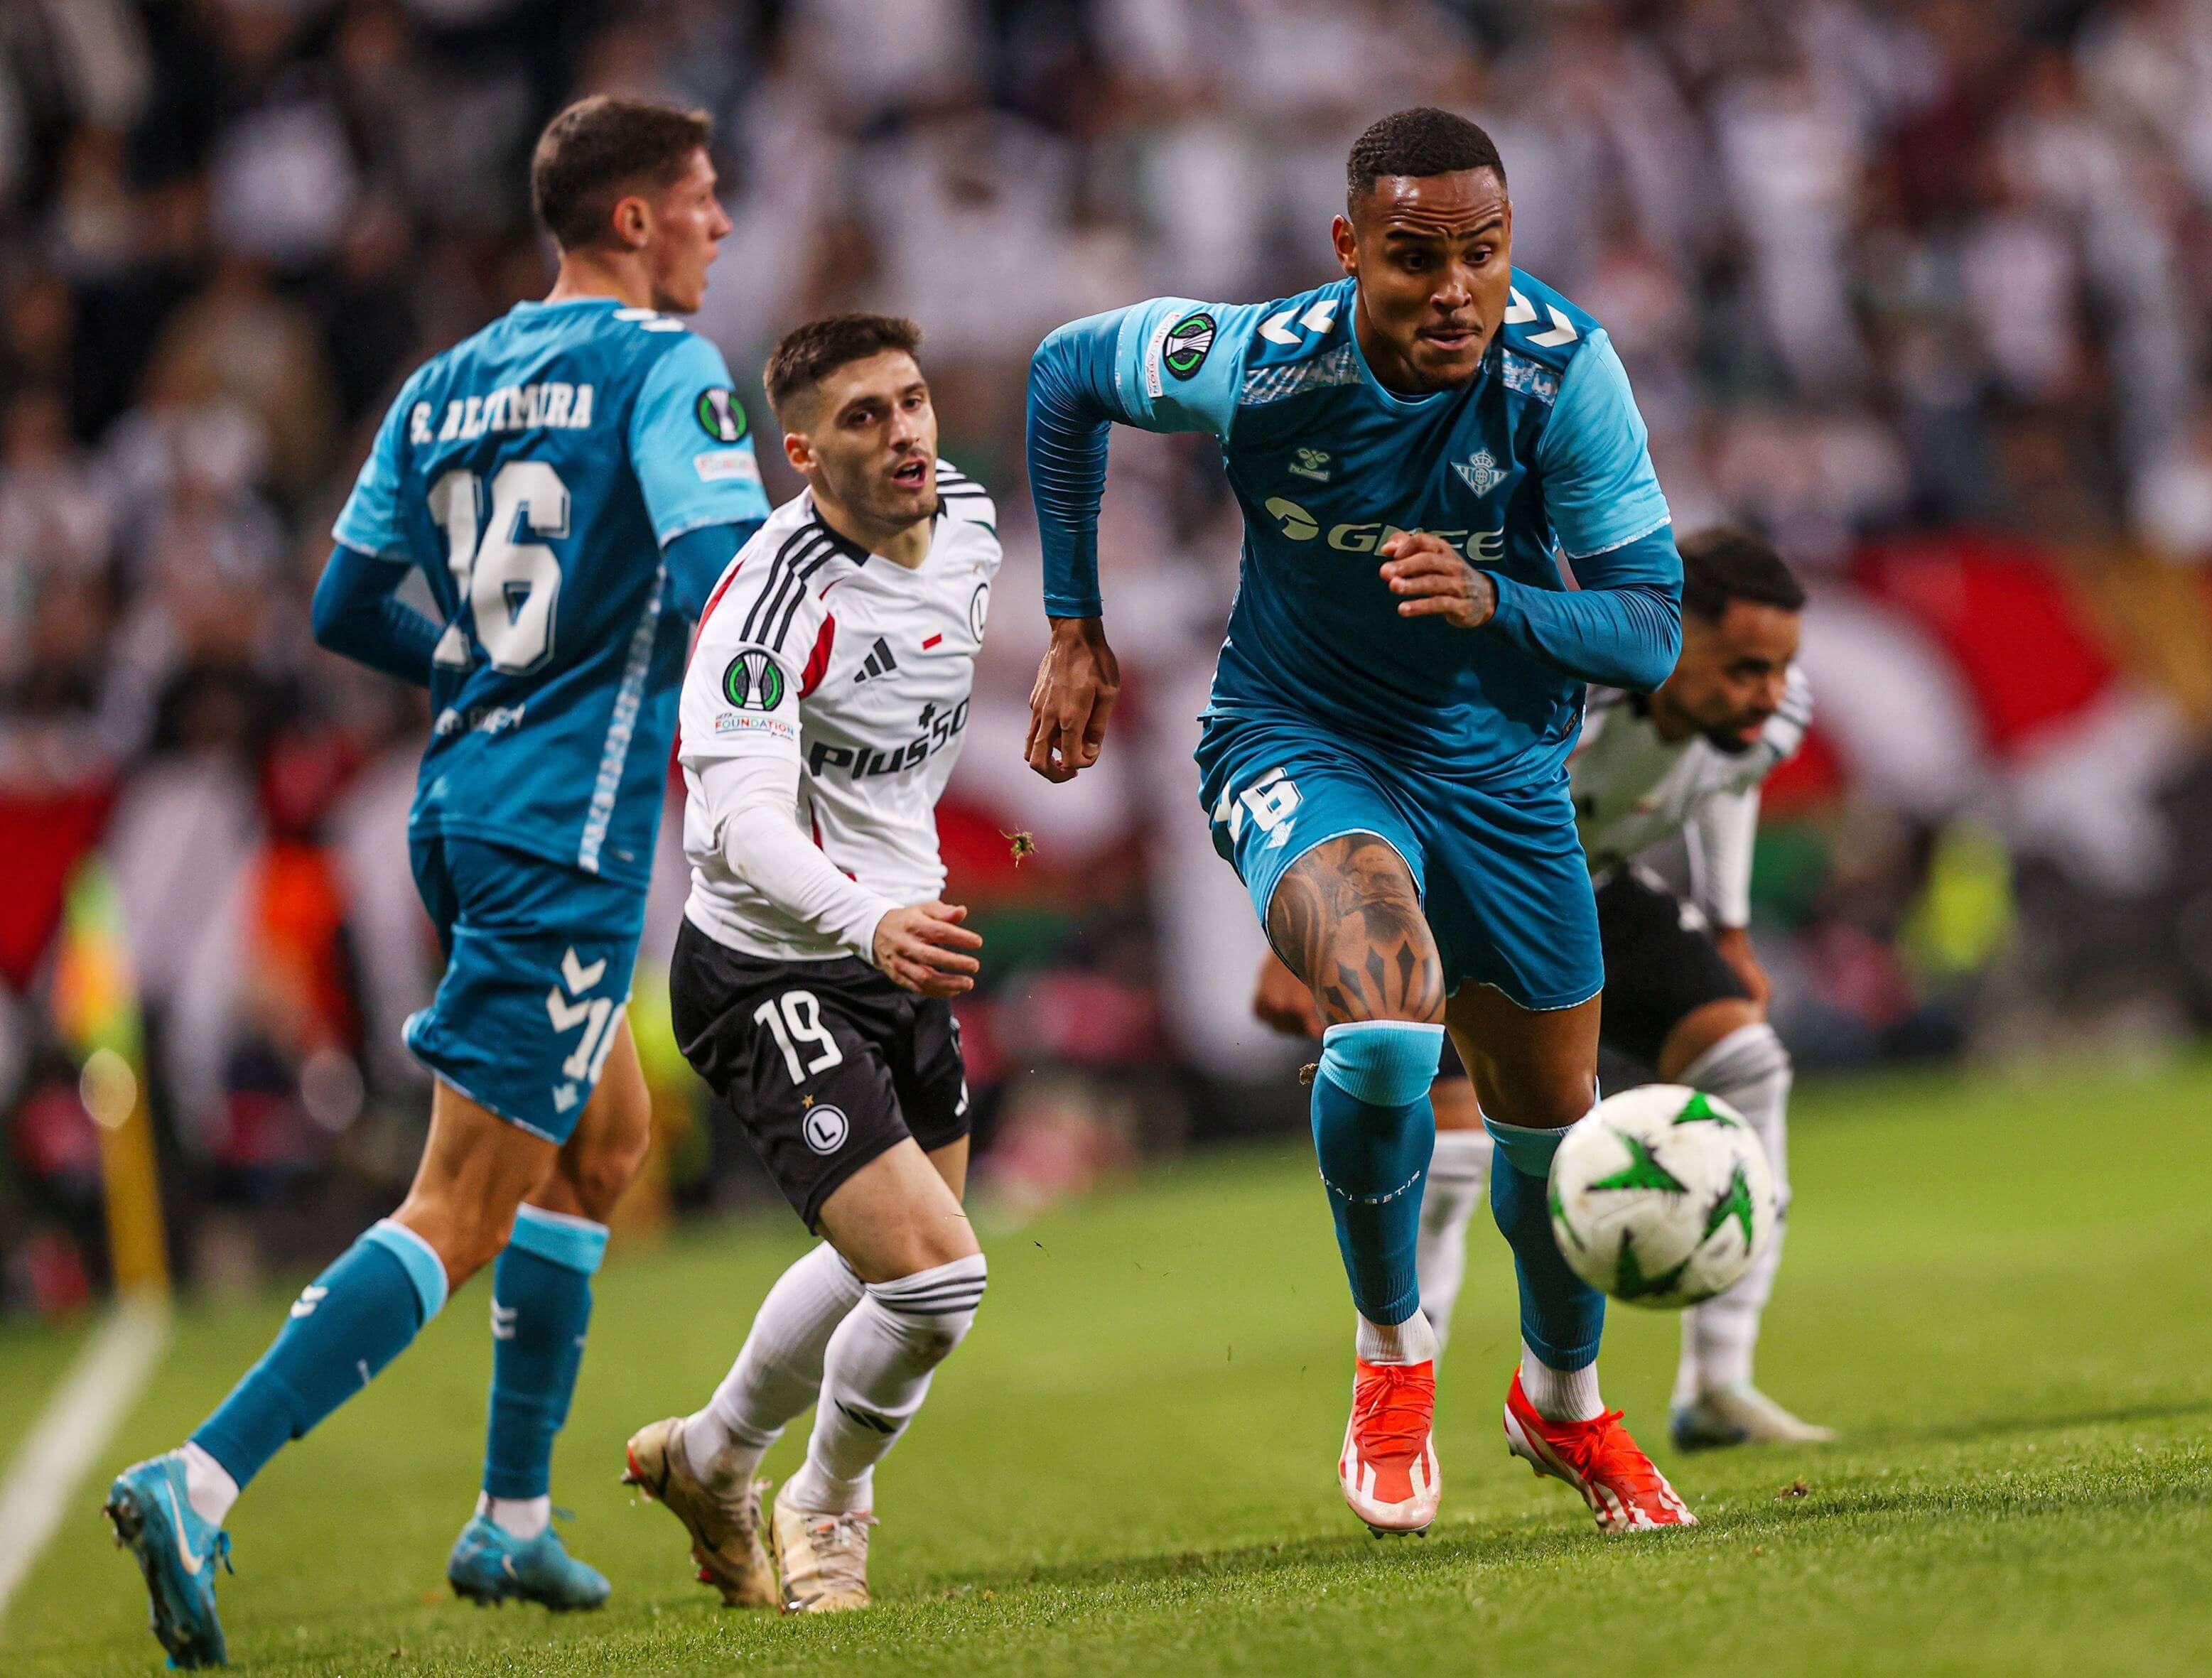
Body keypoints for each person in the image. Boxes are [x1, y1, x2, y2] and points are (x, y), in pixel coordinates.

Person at [104, 95, 769, 1666]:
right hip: (564, 826)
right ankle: (197, 1475)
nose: (720, 225)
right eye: (699, 200)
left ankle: (513, 1520)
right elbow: (710, 580)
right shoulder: (660, 364)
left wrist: (475, 653)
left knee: (601, 1138)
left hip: (458, 800)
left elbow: (343, 601)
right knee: (461, 1199)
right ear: (629, 222)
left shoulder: (448, 377)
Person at [1025, 107, 1692, 1535]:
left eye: (1482, 253)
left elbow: (1646, 632)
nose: (1454, 287)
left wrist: (1495, 600)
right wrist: (1073, 625)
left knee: (1551, 1138)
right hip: (1299, 736)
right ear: (1348, 251)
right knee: (1386, 1023)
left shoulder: (1560, 371)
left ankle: (1558, 1401)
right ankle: (1392, 1357)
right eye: (1413, 257)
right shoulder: (1266, 358)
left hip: (1500, 776)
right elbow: (1063, 373)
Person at [1253, 526, 1833, 1450]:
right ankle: (1403, 1410)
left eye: (1779, 667)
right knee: (1449, 1163)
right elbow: (1384, 764)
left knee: (1747, 1061)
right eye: (1743, 668)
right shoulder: (1557, 684)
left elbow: (1734, 773)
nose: (1768, 692)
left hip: (1590, 886)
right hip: (1448, 890)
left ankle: (1718, 1385)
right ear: (1670, 639)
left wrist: (1727, 922)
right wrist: (1309, 936)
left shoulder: (1772, 714)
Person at [626, 314, 997, 1614]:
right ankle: (825, 1502)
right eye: (862, 417)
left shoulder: (971, 522)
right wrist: (866, 921)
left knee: (882, 1264)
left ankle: (712, 1456)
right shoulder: (769, 601)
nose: (903, 433)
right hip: (773, 965)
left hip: (900, 945)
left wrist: (1074, 646)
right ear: (800, 452)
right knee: (939, 1277)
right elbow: (736, 821)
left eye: (912, 400)